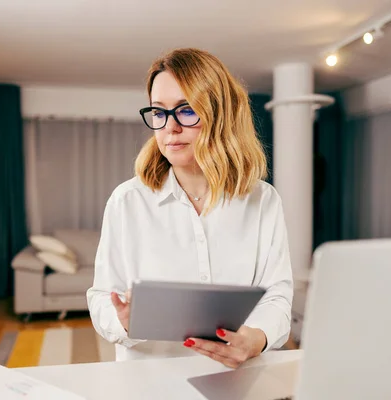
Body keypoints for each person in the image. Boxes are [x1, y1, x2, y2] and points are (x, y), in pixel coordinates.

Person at [86, 48, 293, 368]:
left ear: (219, 114)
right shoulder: (127, 202)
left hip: (238, 380)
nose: (169, 127)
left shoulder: (262, 200)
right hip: (149, 385)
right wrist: (126, 321)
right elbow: (102, 300)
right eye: (158, 112)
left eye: (186, 110)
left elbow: (277, 296)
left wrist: (255, 339)